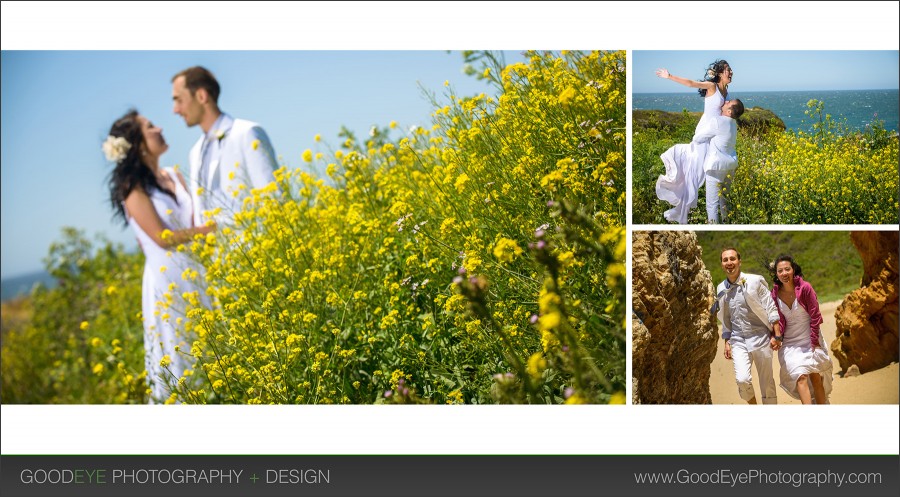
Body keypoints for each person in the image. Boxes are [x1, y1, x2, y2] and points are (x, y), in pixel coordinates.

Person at [104, 110, 215, 403]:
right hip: (168, 283)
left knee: (214, 351)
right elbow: (161, 237)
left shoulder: (174, 175)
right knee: (181, 357)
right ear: (138, 143)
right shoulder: (133, 190)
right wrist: (208, 231)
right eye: (151, 126)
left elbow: (196, 214)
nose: (160, 127)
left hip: (199, 273)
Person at [171, 66, 278, 227]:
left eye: (179, 100)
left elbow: (272, 197)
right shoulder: (195, 152)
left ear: (201, 96)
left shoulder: (247, 133)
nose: (175, 110)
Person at [654, 60, 735, 224]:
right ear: (720, 73)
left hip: (714, 136)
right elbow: (691, 83)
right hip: (704, 134)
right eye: (728, 70)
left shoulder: (726, 91)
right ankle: (676, 195)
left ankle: (716, 215)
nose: (731, 73)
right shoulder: (712, 87)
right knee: (694, 173)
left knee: (703, 175)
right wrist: (669, 76)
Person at [711, 248, 782, 404]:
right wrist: (727, 341)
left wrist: (777, 334)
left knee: (767, 381)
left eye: (732, 259)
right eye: (725, 260)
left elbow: (770, 306)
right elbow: (725, 317)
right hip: (738, 340)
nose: (729, 263)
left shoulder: (755, 280)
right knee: (742, 380)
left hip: (761, 337)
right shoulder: (721, 288)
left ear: (739, 261)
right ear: (722, 264)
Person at [770, 255, 833, 404]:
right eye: (780, 271)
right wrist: (775, 336)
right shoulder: (774, 294)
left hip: (810, 338)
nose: (784, 273)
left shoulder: (805, 288)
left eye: (787, 269)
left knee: (816, 377)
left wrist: (815, 343)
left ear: (793, 270)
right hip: (789, 344)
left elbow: (815, 317)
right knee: (800, 377)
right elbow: (774, 319)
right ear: (776, 274)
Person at [691, 99, 745, 223]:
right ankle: (728, 222)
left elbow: (697, 138)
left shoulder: (717, 121)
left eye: (728, 102)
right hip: (730, 166)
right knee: (725, 200)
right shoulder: (733, 123)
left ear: (729, 111)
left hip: (716, 167)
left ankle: (714, 225)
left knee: (712, 205)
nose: (725, 102)